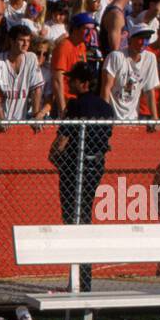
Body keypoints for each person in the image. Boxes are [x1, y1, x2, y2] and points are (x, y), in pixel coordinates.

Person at [49, 62, 114, 292]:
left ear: (84, 83)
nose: (70, 82)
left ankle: (77, 281)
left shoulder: (76, 105)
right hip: (95, 167)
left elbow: (61, 142)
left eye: (73, 79)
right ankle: (83, 281)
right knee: (84, 219)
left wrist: (57, 159)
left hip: (73, 168)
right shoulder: (107, 108)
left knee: (72, 223)